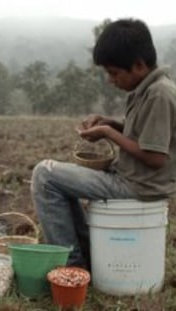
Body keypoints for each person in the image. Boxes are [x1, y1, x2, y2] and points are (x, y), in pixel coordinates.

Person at [31, 18, 176, 269]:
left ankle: (72, 265)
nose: (111, 80)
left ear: (139, 65)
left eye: (114, 73)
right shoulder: (149, 88)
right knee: (57, 181)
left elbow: (155, 157)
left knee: (45, 176)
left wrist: (108, 132)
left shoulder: (159, 94)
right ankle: (87, 255)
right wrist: (111, 122)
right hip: (133, 179)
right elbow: (144, 134)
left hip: (138, 186)